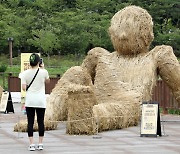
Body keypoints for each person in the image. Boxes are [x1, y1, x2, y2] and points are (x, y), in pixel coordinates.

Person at [19, 53, 50, 151]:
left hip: (30, 101)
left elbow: (24, 88)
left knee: (30, 122)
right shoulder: (44, 72)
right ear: (38, 62)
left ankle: (31, 144)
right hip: (40, 101)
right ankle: (40, 143)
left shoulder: (24, 73)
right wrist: (43, 68)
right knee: (41, 122)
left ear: (30, 62)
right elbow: (48, 81)